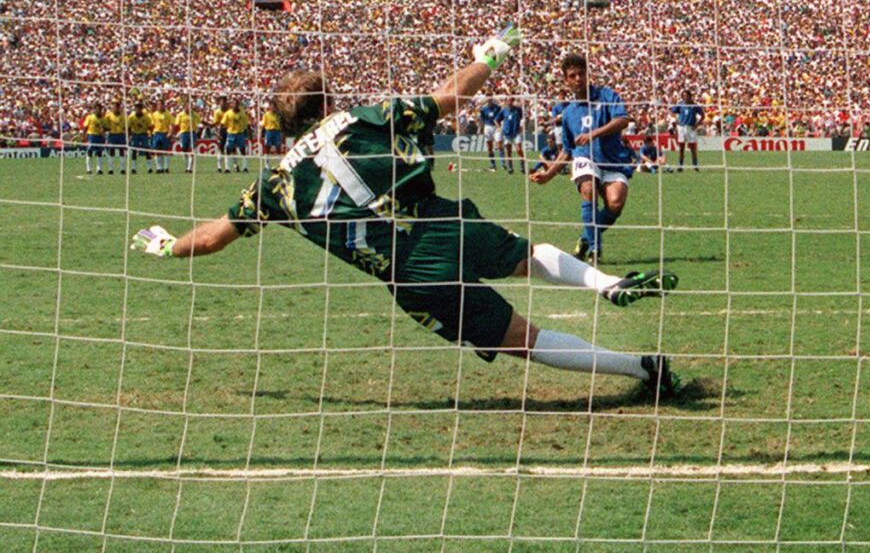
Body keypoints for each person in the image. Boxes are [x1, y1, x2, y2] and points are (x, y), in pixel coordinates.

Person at [131, 26, 689, 400]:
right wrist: (488, 57)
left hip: (407, 273)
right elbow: (448, 97)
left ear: (288, 124)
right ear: (328, 104)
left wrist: (168, 244)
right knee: (529, 256)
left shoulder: (276, 185)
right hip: (436, 220)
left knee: (523, 337)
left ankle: (639, 367)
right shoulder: (364, 118)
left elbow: (212, 239)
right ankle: (605, 282)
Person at [531, 54, 635, 264]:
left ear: (587, 74)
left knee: (615, 204)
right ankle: (596, 250)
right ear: (566, 80)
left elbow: (623, 120)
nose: (578, 78)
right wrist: (549, 175)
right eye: (572, 76)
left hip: (612, 160)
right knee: (588, 189)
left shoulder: (606, 95)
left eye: (581, 73)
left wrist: (593, 134)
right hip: (585, 158)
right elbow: (567, 151)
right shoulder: (568, 112)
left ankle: (586, 238)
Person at [669, 91, 705, 171]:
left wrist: (697, 125)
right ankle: (680, 166)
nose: (685, 97)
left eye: (686, 95)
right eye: (683, 95)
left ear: (690, 96)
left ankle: (695, 166)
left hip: (691, 128)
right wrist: (676, 119)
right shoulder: (680, 104)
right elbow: (671, 111)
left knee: (693, 148)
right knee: (681, 148)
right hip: (682, 127)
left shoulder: (694, 105)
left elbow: (703, 116)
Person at [499, 97, 526, 175]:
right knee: (508, 151)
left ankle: (522, 166)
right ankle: (510, 167)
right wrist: (499, 128)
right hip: (507, 133)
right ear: (507, 101)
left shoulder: (518, 109)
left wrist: (521, 125)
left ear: (513, 101)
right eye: (508, 101)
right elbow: (497, 119)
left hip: (516, 132)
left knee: (519, 149)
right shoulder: (504, 110)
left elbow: (523, 118)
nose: (510, 102)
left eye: (511, 101)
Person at [222, 99, 250, 172]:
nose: (235, 105)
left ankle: (245, 167)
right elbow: (223, 123)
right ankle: (227, 168)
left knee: (242, 149)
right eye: (233, 104)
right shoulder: (228, 113)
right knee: (228, 149)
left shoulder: (243, 113)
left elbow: (247, 124)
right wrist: (220, 133)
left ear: (238, 105)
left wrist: (249, 134)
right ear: (231, 105)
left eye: (236, 104)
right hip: (231, 133)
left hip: (240, 133)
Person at [175, 98, 202, 173]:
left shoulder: (195, 114)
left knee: (193, 150)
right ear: (185, 106)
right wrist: (176, 134)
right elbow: (176, 125)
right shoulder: (180, 115)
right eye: (187, 106)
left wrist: (199, 128)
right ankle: (187, 165)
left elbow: (199, 123)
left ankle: (189, 168)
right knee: (184, 149)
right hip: (184, 133)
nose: (189, 107)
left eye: (191, 106)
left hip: (192, 133)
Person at [149, 99, 174, 174]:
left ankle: (166, 167)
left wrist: (170, 133)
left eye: (160, 104)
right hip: (156, 134)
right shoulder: (154, 114)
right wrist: (151, 132)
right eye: (158, 104)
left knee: (165, 151)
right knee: (157, 151)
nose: (159, 106)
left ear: (163, 105)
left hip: (164, 133)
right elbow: (152, 125)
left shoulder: (168, 114)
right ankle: (159, 168)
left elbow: (172, 125)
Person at [479, 97, 504, 171]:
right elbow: (482, 119)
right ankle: (493, 164)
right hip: (487, 127)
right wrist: (481, 128)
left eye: (490, 98)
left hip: (496, 127)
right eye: (487, 98)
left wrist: (498, 100)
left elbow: (503, 109)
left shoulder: (497, 107)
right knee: (489, 147)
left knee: (499, 145)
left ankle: (503, 164)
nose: (489, 100)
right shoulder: (484, 109)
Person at [127, 101, 152, 174]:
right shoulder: (131, 116)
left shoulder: (146, 117)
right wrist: (129, 136)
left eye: (139, 107)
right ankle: (134, 168)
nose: (138, 109)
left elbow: (150, 126)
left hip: (144, 134)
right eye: (137, 107)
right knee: (134, 151)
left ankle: (149, 167)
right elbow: (128, 127)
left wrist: (150, 134)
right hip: (135, 134)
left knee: (146, 150)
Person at [82, 103, 107, 175]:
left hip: (100, 136)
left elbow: (106, 127)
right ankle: (89, 169)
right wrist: (84, 136)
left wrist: (104, 130)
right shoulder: (90, 117)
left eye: (98, 109)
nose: (97, 110)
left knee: (99, 152)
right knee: (90, 151)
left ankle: (99, 169)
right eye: (95, 109)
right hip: (92, 135)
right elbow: (85, 127)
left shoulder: (103, 118)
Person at [104, 100, 128, 174]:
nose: (116, 108)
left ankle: (122, 169)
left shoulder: (123, 116)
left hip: (121, 134)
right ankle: (110, 169)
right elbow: (105, 126)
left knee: (122, 151)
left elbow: (126, 127)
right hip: (112, 135)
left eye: (117, 106)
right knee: (111, 151)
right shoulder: (108, 116)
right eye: (114, 106)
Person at [212, 96, 229, 172]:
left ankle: (231, 166)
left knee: (230, 148)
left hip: (229, 130)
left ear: (226, 103)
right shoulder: (217, 112)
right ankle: (219, 166)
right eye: (220, 102)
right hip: (221, 130)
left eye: (223, 102)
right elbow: (215, 123)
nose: (221, 104)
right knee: (220, 148)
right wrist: (217, 133)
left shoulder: (229, 111)